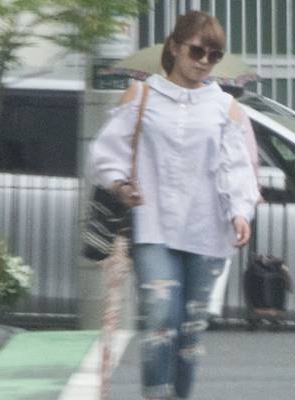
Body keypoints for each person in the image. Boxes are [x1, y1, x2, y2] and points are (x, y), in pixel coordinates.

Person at [87, 10, 259, 399]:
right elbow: (106, 153)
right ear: (175, 47)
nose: (204, 61)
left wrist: (240, 212)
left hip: (208, 230)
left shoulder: (225, 107)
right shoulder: (141, 96)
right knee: (160, 316)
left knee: (190, 330)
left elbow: (236, 168)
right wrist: (120, 185)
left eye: (214, 55)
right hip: (154, 227)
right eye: (197, 50)